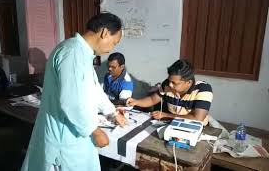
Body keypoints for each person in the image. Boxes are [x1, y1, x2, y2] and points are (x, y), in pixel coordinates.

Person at [21, 12, 127, 171]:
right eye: (114, 42)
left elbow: (94, 89)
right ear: (104, 33)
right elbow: (72, 102)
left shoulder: (82, 53)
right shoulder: (72, 52)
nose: (112, 48)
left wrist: (111, 112)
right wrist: (95, 131)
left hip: (74, 135)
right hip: (65, 139)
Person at [127, 59, 213, 125]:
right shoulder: (167, 85)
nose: (170, 85)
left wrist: (166, 115)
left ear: (189, 82)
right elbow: (152, 100)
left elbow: (197, 118)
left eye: (175, 83)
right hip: (172, 124)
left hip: (195, 127)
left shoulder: (203, 89)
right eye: (169, 81)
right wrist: (136, 102)